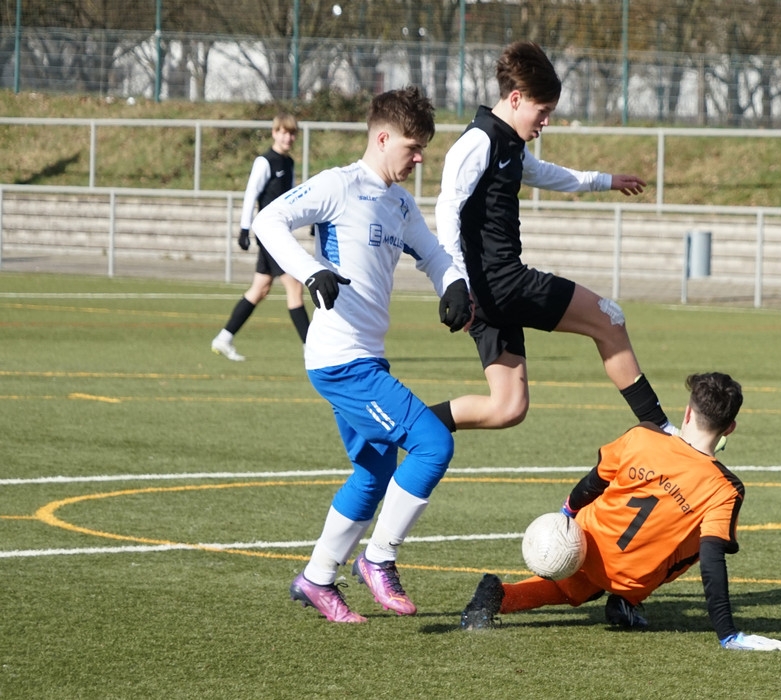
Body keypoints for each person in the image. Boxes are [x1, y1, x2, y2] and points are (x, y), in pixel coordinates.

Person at [251, 86, 473, 623]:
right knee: (433, 444)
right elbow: (267, 222)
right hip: (340, 360)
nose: (419, 160)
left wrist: (453, 284)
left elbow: (435, 254)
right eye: (413, 148)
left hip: (366, 358)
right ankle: (378, 558)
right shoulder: (338, 185)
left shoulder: (399, 203)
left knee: (373, 474)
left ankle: (317, 579)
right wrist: (311, 271)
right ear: (383, 138)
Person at [430, 40, 674, 436]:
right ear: (515, 99)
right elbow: (447, 208)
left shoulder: (507, 141)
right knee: (609, 319)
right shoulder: (478, 141)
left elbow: (541, 173)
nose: (545, 122)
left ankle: (403, 426)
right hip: (501, 284)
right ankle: (662, 430)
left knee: (508, 407)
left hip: (486, 296)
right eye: (542, 111)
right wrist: (454, 282)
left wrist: (604, 181)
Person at [460, 372, 781, 651]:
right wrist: (727, 633)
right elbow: (712, 563)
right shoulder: (725, 488)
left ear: (688, 413)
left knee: (571, 586)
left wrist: (566, 514)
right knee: (704, 539)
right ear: (729, 428)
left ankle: (498, 596)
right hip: (630, 576)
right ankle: (626, 601)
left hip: (584, 543)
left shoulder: (642, 435)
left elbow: (592, 483)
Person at [211, 113, 309, 361]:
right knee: (294, 286)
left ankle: (224, 338)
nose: (288, 137)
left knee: (260, 288)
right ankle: (311, 348)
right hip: (269, 235)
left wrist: (308, 220)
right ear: (274, 133)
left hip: (281, 233)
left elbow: (292, 199)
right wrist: (245, 229)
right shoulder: (265, 161)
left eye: (292, 133)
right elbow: (251, 193)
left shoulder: (289, 163)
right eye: (283, 132)